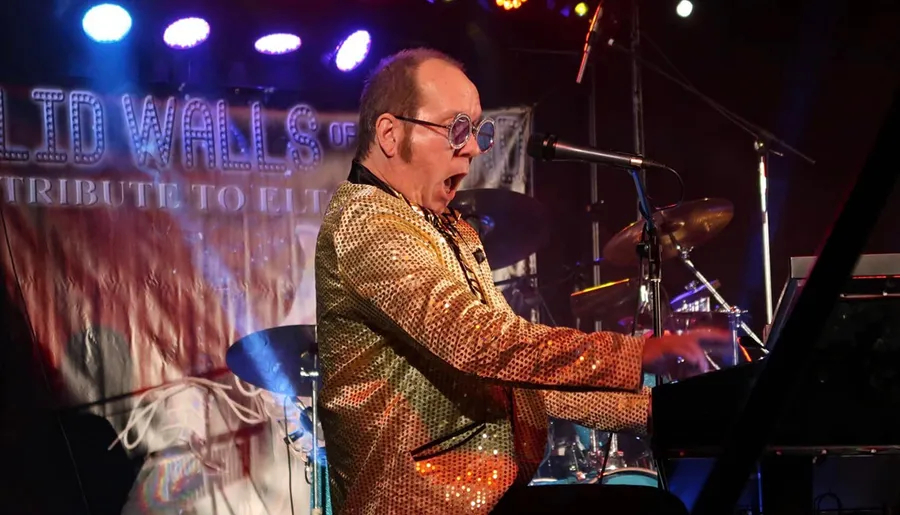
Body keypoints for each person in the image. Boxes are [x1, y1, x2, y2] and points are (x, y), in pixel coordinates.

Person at [314, 48, 729, 514]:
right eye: (455, 129)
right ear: (390, 134)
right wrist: (634, 353)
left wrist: (655, 411)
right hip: (418, 502)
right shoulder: (367, 220)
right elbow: (476, 341)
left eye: (475, 131)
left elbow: (522, 382)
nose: (472, 147)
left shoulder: (444, 226)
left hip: (484, 496)